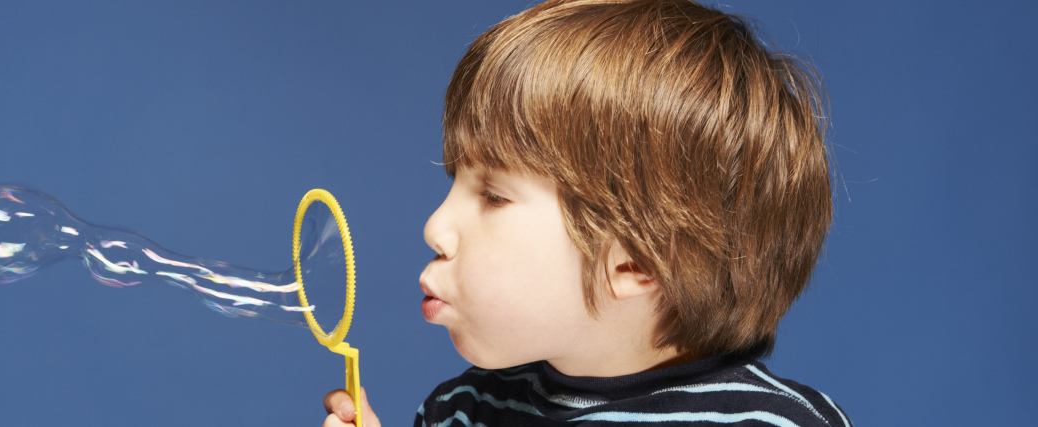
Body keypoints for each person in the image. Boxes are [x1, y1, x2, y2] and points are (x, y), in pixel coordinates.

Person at [324, 0, 849, 425]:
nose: (435, 226)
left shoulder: (773, 424)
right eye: (454, 182)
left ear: (635, 262)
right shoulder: (461, 413)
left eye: (494, 196)